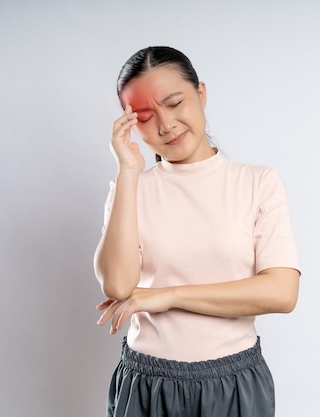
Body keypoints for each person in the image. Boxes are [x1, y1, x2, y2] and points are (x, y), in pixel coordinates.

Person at [94, 46, 301, 417]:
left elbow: (282, 292)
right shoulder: (130, 190)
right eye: (145, 116)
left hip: (233, 381)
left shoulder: (258, 182)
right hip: (147, 383)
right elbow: (118, 286)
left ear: (201, 93)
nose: (166, 124)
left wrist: (167, 296)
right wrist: (127, 172)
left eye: (175, 103)